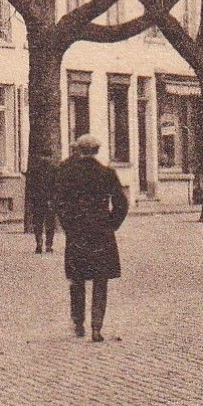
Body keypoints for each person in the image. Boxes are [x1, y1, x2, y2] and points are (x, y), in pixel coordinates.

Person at [53, 133, 128, 342]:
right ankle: (97, 326)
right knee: (100, 280)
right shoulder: (107, 173)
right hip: (101, 232)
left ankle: (78, 323)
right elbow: (122, 204)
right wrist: (111, 223)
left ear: (79, 149)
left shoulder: (68, 174)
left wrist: (68, 224)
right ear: (97, 150)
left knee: (77, 279)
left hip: (77, 232)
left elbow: (59, 202)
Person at [23, 152, 58, 254]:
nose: (45, 158)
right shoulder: (54, 169)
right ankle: (48, 245)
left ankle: (39, 243)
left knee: (38, 223)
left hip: (38, 201)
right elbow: (56, 186)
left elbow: (29, 186)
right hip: (49, 201)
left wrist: (31, 199)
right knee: (49, 223)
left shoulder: (34, 169)